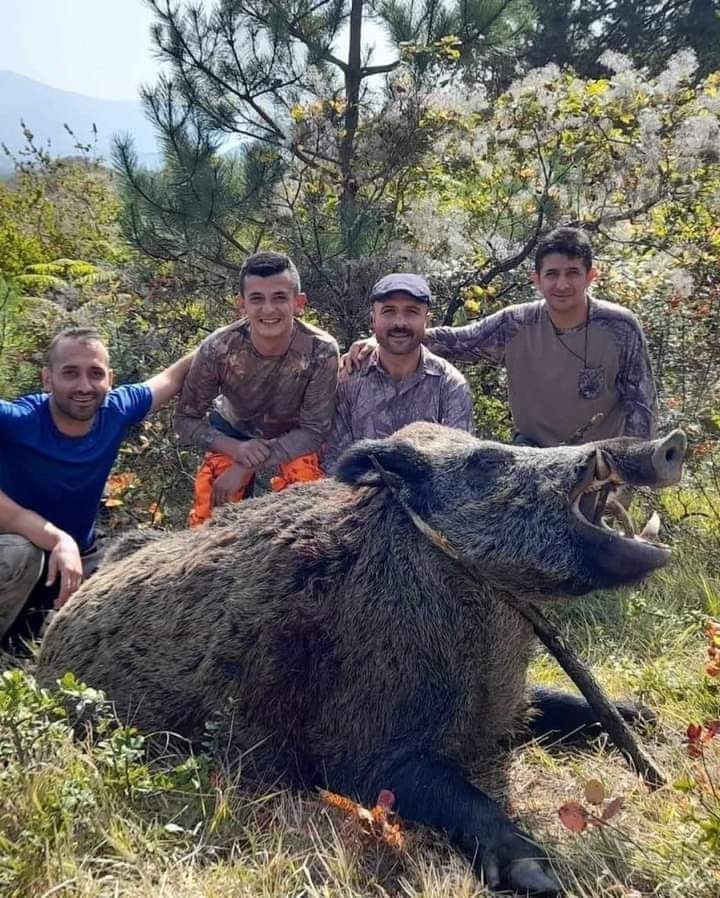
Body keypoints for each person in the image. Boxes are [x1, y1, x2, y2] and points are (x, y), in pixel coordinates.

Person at [344, 228, 658, 447]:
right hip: (533, 457)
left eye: (572, 273)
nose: (562, 284)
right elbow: (456, 341)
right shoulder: (517, 324)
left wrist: (626, 474)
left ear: (591, 276)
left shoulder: (620, 328)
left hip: (599, 462)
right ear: (536, 279)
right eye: (552, 274)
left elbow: (642, 410)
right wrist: (377, 341)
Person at [0, 326, 196, 645]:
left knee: (143, 580)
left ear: (110, 379)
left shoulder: (116, 411)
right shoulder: (17, 420)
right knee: (20, 554)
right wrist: (56, 539)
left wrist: (251, 324)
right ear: (48, 379)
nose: (84, 386)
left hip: (80, 556)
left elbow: (173, 378)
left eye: (95, 373)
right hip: (17, 552)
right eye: (70, 373)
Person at [174, 251, 339, 526]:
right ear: (242, 305)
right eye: (257, 299)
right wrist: (234, 449)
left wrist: (248, 464)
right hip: (233, 434)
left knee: (308, 518)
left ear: (299, 303)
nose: (268, 310)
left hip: (293, 439)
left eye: (279, 298)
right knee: (208, 523)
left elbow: (315, 430)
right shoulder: (219, 348)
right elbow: (185, 419)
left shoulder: (321, 350)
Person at [323, 273, 474, 472]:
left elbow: (457, 469)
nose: (399, 323)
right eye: (389, 311)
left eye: (411, 312)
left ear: (427, 321)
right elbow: (336, 465)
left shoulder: (450, 386)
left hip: (425, 500)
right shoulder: (347, 379)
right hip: (358, 496)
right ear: (372, 320)